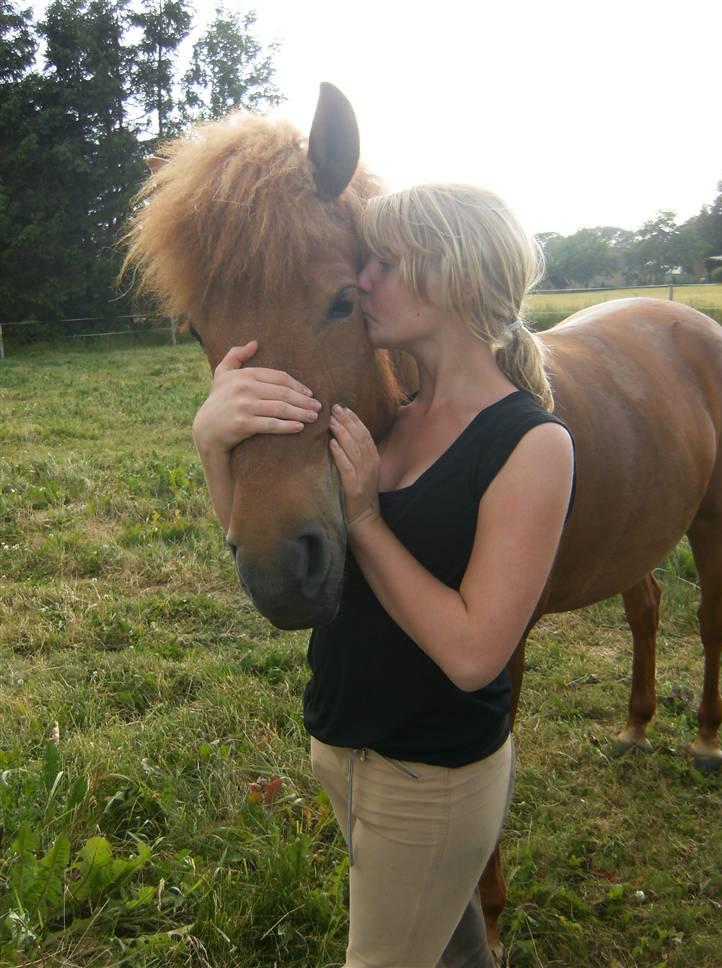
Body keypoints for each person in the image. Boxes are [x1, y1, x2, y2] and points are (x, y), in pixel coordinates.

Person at [192, 183, 575, 968]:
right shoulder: (391, 414)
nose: (364, 279)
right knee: (452, 945)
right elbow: (250, 538)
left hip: (429, 772)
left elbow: (475, 655)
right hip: (342, 743)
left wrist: (365, 520)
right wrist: (211, 442)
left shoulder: (532, 445)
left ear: (458, 279)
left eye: (388, 263)